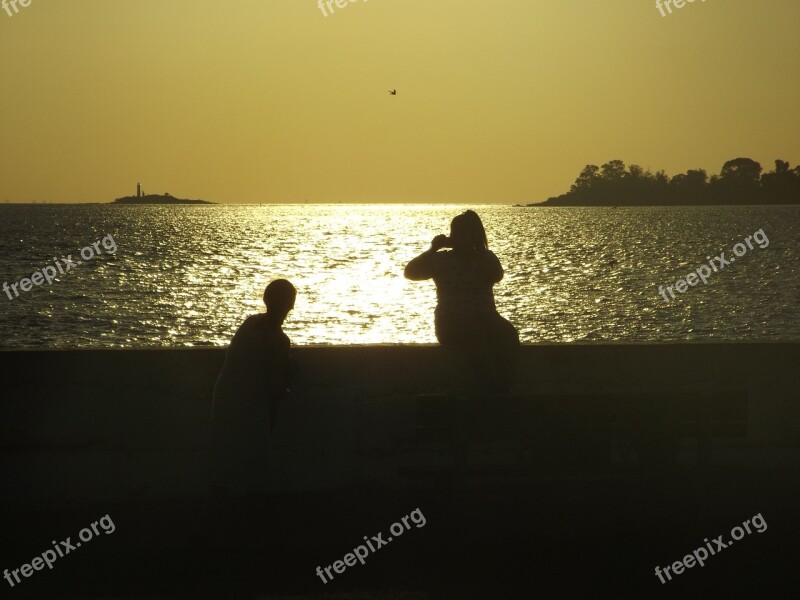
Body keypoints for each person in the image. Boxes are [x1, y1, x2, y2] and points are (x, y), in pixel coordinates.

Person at [206, 279, 297, 530]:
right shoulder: (279, 340)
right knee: (256, 470)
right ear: (288, 305)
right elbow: (275, 387)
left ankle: (216, 525)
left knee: (224, 467)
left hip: (225, 399)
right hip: (251, 408)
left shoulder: (250, 323)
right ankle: (252, 529)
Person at [404, 210, 519, 392]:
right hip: (451, 321)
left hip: (486, 318)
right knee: (476, 339)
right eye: (456, 233)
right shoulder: (441, 260)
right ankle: (493, 389)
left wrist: (476, 252)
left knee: (509, 334)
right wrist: (433, 249)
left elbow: (496, 275)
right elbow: (410, 272)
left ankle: (506, 386)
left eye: (464, 234)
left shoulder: (486, 258)